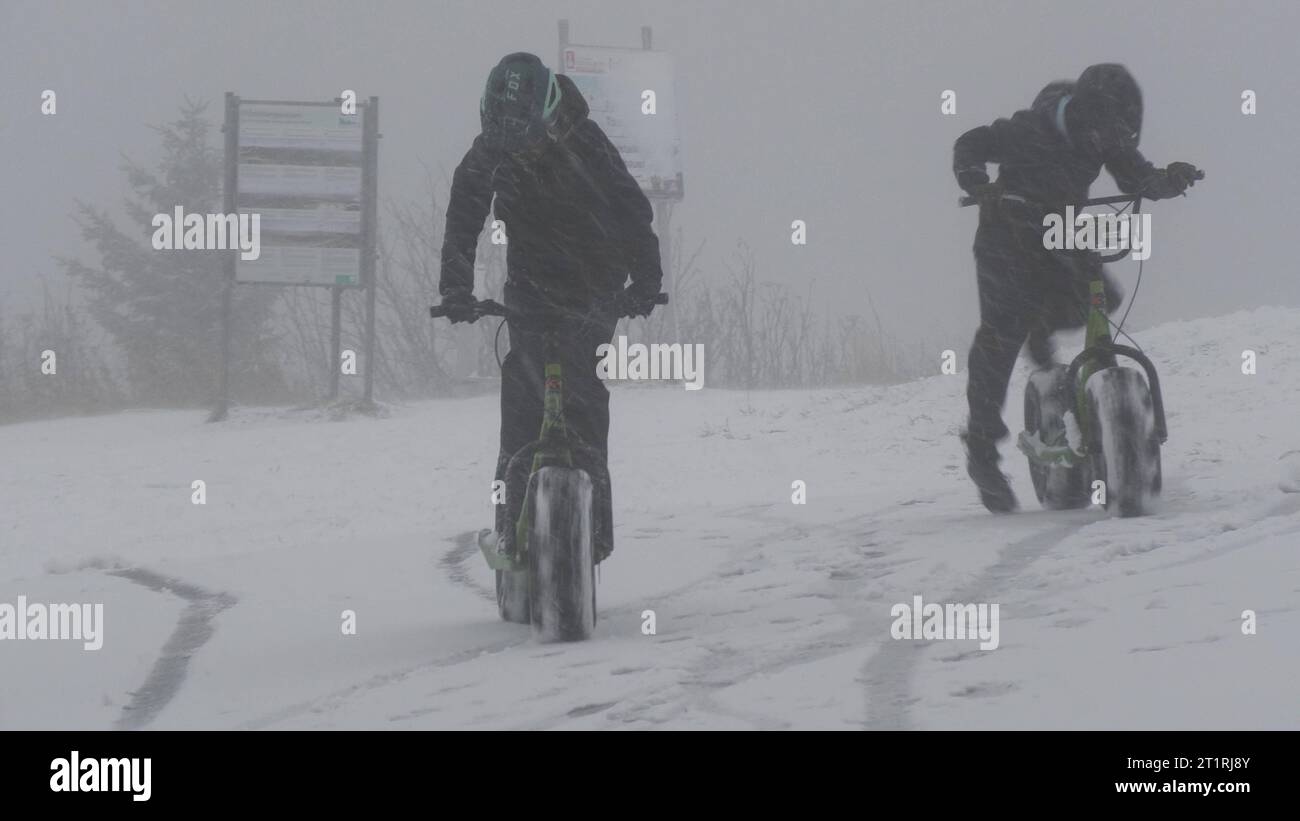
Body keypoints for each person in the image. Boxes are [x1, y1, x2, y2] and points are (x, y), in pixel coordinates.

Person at [436, 52, 664, 559]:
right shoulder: (491, 149)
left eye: (531, 136)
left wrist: (645, 282)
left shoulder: (588, 143)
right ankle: (508, 519)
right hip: (530, 287)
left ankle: (595, 527)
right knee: (522, 390)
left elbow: (631, 210)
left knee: (583, 393)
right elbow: (463, 216)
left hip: (594, 286)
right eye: (511, 137)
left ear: (551, 115)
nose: (523, 148)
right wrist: (455, 289)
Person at [952, 64, 1201, 512]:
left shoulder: (1102, 137)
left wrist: (1169, 180)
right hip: (1004, 236)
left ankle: (1054, 350)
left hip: (1061, 234)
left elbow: (1136, 177)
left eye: (1118, 135)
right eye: (1105, 133)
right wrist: (978, 184)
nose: (1105, 144)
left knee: (1099, 298)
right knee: (1001, 334)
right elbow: (969, 145)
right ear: (1086, 116)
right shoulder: (1026, 129)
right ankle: (982, 451)